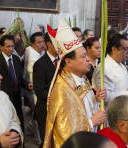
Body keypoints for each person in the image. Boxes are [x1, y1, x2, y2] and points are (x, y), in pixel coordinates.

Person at [43, 20, 106, 148]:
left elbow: (85, 108)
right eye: (83, 57)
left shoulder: (82, 78)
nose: (88, 59)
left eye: (86, 55)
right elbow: (65, 133)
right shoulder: (62, 91)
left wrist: (97, 100)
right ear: (68, 61)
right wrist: (92, 122)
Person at [92, 33, 128, 105]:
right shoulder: (104, 68)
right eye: (125, 49)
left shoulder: (122, 66)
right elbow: (104, 97)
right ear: (114, 49)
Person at [33, 32, 58, 146]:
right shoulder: (40, 64)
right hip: (46, 111)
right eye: (58, 43)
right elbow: (40, 91)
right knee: (47, 143)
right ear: (49, 44)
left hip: (60, 111)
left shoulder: (64, 62)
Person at [0, 35, 25, 129]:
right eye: (8, 46)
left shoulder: (16, 59)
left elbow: (19, 78)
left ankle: (21, 142)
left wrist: (27, 85)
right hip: (3, 99)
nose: (11, 49)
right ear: (1, 47)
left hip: (17, 97)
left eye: (12, 46)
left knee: (19, 122)